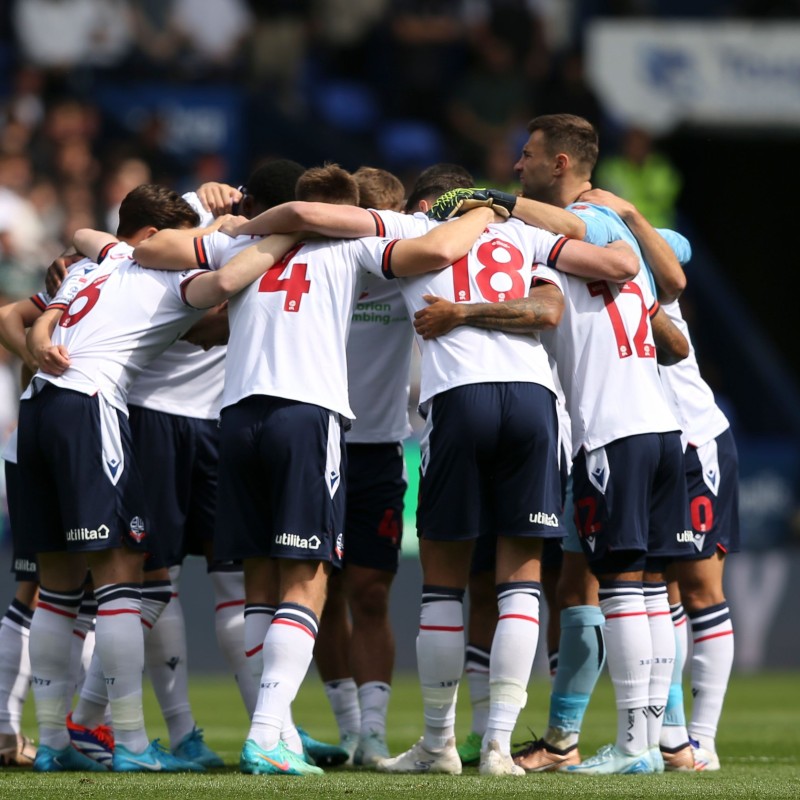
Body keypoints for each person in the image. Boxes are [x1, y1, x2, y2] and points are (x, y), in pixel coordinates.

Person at [132, 163, 502, 777]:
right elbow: (440, 247)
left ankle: (275, 731)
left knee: (261, 583)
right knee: (308, 581)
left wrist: (208, 212)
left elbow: (151, 248)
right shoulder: (357, 248)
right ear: (342, 210)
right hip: (307, 418)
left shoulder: (243, 242)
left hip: (239, 419)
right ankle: (270, 736)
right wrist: (487, 209)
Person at [422, 112, 695, 775]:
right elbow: (672, 257)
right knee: (653, 589)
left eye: (527, 156)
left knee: (623, 587)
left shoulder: (576, 225)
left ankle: (637, 748)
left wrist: (499, 210)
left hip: (613, 429)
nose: (517, 166)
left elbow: (608, 254)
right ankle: (659, 739)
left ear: (560, 165)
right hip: (660, 425)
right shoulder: (615, 231)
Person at [580, 187, 739, 772]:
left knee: (697, 590)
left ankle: (702, 737)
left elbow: (678, 258)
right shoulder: (606, 287)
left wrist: (628, 214)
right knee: (658, 589)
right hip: (651, 439)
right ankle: (670, 737)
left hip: (695, 439)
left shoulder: (649, 289)